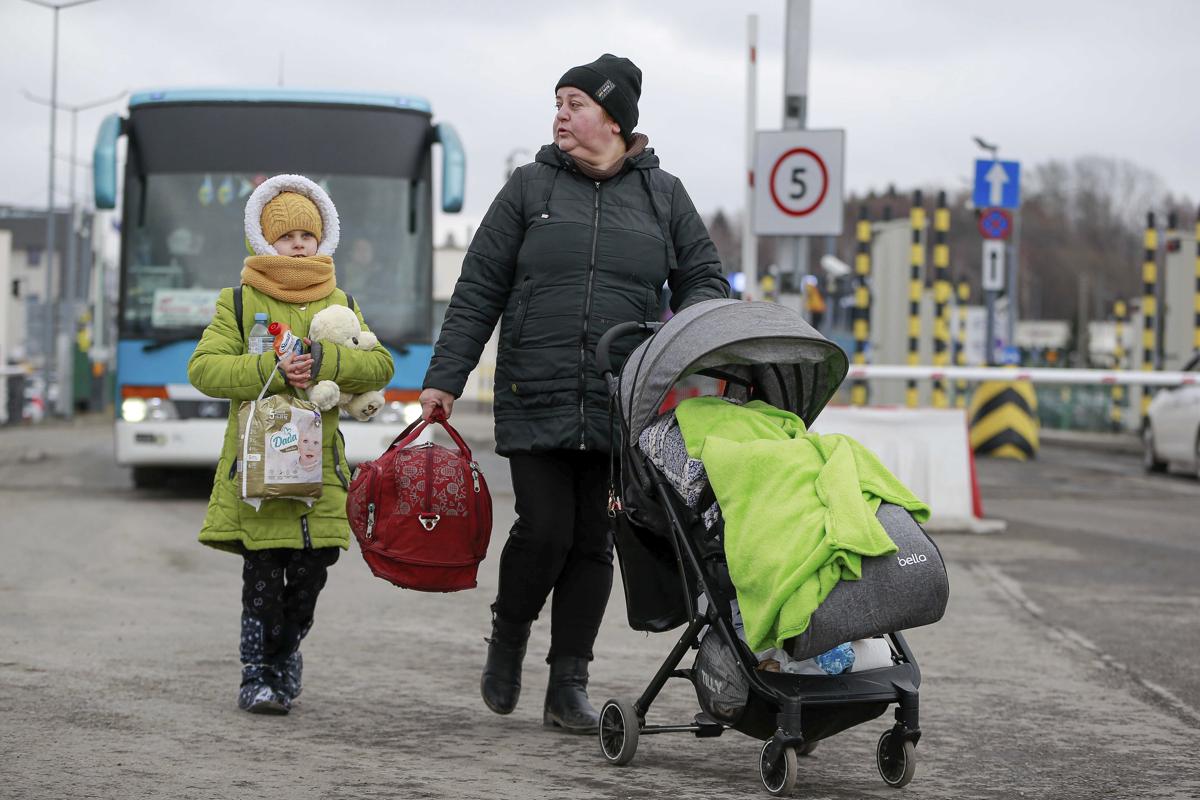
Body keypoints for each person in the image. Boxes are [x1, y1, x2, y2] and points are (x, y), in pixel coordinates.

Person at [419, 54, 729, 734]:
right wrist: (445, 378)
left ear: (614, 120)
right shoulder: (528, 189)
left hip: (623, 398)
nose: (561, 114)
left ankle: (569, 687)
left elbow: (706, 278)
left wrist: (678, 340)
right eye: (557, 101)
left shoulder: (662, 195)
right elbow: (478, 289)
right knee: (545, 528)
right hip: (537, 384)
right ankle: (508, 638)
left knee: (594, 541)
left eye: (575, 102)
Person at [188, 174, 394, 714]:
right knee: (262, 576)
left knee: (310, 575)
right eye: (286, 235)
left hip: (319, 473)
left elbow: (380, 364)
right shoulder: (236, 302)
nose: (298, 243)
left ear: (323, 239)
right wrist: (273, 369)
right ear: (263, 239)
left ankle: (285, 653)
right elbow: (204, 370)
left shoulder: (342, 300)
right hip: (258, 471)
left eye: (308, 233)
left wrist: (325, 362)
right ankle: (258, 675)